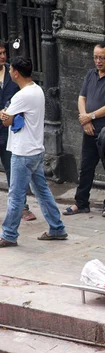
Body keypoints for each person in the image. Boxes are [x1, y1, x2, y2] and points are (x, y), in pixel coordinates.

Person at [0, 57, 68, 247]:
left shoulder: (21, 96)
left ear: (15, 73)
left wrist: (4, 114)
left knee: (16, 194)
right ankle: (57, 227)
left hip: (23, 152)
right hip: (36, 149)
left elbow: (6, 121)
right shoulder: (37, 89)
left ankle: (9, 234)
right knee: (42, 191)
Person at [64, 43, 105, 218]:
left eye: (102, 57)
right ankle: (81, 202)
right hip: (89, 130)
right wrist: (85, 119)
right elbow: (82, 97)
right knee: (86, 167)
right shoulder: (90, 74)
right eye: (96, 57)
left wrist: (91, 117)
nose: (98, 61)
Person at [0, 42, 36, 222]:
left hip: (8, 129)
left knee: (13, 171)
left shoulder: (12, 74)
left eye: (4, 53)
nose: (2, 56)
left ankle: (22, 207)